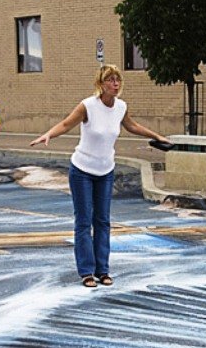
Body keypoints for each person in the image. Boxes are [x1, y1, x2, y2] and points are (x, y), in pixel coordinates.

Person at [31, 64, 170, 288]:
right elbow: (66, 124)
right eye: (110, 80)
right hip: (82, 171)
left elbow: (132, 126)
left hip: (105, 171)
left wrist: (157, 136)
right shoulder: (88, 106)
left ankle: (102, 271)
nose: (115, 84)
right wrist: (48, 134)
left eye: (118, 80)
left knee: (103, 222)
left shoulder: (121, 107)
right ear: (101, 83)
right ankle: (87, 272)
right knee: (84, 222)